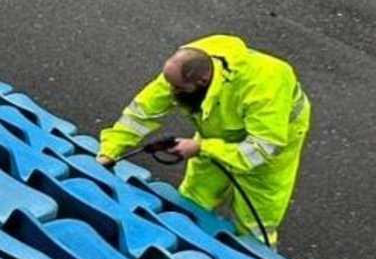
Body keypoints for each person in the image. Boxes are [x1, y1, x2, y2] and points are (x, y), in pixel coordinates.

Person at [97, 36, 310, 245]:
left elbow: (260, 151)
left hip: (269, 145)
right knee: (193, 199)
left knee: (255, 222)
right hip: (220, 129)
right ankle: (183, 247)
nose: (171, 93)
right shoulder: (182, 72)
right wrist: (109, 151)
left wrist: (201, 147)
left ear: (203, 81)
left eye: (178, 90)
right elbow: (140, 114)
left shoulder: (265, 85)